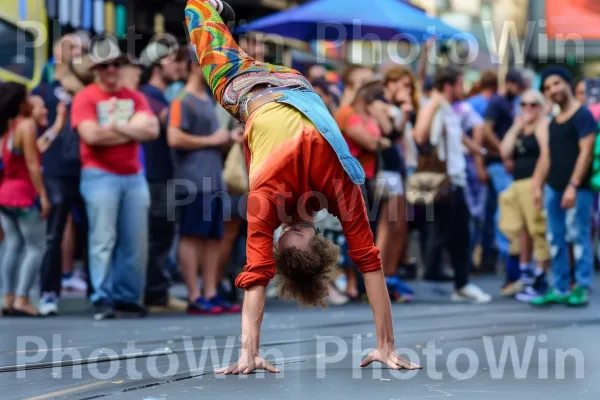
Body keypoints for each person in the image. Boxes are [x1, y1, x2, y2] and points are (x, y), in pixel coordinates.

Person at [186, 0, 421, 373]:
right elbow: (370, 264)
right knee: (199, 18)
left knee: (199, 15)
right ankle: (214, 13)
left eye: (284, 234)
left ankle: (215, 11)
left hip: (248, 91)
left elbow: (256, 274)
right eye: (299, 231)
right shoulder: (340, 190)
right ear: (316, 234)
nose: (288, 227)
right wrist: (386, 345)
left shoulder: (265, 202)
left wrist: (249, 352)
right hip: (294, 84)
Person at [71, 37, 160, 320]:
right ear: (96, 69)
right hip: (99, 174)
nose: (111, 69)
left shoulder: (134, 97)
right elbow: (91, 135)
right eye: (105, 65)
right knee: (103, 239)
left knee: (135, 241)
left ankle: (127, 297)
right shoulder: (85, 97)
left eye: (116, 64)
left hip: (133, 176)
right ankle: (102, 297)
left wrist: (116, 126)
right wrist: (131, 128)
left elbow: (153, 131)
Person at [412, 67, 492, 304]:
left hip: (455, 180)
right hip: (446, 181)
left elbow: (459, 137)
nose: (463, 89)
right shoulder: (435, 104)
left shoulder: (446, 108)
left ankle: (458, 282)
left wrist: (485, 152)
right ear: (448, 86)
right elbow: (419, 136)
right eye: (459, 84)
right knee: (454, 235)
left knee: (457, 235)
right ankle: (456, 283)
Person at [167, 50, 235, 315]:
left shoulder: (206, 98)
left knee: (213, 237)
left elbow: (213, 138)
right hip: (192, 181)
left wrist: (227, 138)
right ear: (195, 66)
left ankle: (210, 292)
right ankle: (195, 295)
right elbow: (173, 138)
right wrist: (213, 140)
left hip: (212, 179)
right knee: (193, 236)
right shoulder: (182, 100)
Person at [34, 38, 95, 316]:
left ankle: (97, 294)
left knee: (94, 232)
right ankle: (49, 292)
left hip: (87, 168)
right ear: (58, 53)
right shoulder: (43, 90)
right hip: (56, 170)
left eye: (83, 50)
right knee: (53, 235)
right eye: (73, 48)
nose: (80, 54)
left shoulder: (91, 90)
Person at [531, 67, 597, 307]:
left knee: (579, 237)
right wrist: (537, 185)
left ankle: (580, 286)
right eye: (547, 87)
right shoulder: (553, 121)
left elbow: (586, 152)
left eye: (556, 83)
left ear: (568, 84)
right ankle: (559, 286)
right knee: (555, 238)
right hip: (553, 188)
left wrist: (573, 184)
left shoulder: (583, 115)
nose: (552, 90)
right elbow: (547, 156)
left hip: (577, 189)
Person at [138, 42, 185, 312]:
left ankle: (156, 291)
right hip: (154, 174)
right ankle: (154, 293)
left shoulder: (160, 94)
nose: (179, 66)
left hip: (161, 174)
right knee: (157, 234)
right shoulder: (149, 94)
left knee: (162, 234)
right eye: (173, 60)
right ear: (156, 65)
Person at [0, 83, 51, 317]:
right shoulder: (27, 125)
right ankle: (23, 298)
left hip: (5, 194)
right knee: (35, 247)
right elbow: (32, 163)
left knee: (12, 244)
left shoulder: (8, 127)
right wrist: (42, 194)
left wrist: (57, 125)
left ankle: (7, 296)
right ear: (21, 102)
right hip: (23, 194)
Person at [498, 89, 550, 302]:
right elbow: (504, 151)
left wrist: (537, 184)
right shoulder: (520, 127)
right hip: (517, 183)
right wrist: (517, 126)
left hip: (533, 182)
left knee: (537, 229)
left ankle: (541, 277)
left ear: (541, 106)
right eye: (524, 104)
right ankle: (524, 272)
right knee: (520, 230)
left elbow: (547, 153)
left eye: (533, 104)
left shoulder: (543, 125)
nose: (528, 108)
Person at [485, 70, 527, 295]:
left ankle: (511, 260)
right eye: (519, 87)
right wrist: (503, 150)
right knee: (505, 211)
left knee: (506, 209)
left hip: (504, 163)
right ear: (511, 84)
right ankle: (508, 258)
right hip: (499, 163)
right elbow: (486, 130)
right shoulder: (498, 101)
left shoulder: (508, 103)